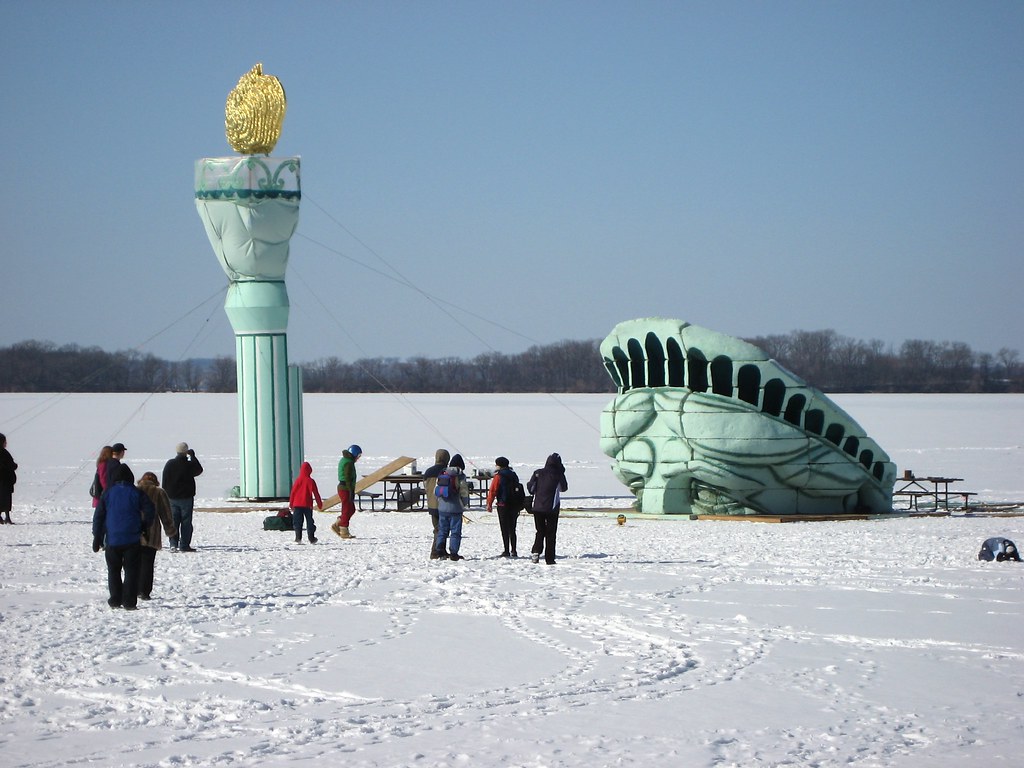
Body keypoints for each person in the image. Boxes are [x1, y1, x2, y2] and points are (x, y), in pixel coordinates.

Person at [92, 464, 154, 610]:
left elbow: (99, 516)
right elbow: (150, 510)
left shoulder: (108, 493)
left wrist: (97, 536)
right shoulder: (137, 492)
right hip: (132, 538)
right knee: (131, 570)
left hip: (112, 538)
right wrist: (144, 526)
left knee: (113, 570)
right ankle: (129, 602)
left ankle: (115, 598)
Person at [135, 472, 176, 600]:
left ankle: (134, 588)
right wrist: (170, 531)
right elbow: (166, 514)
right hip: (152, 531)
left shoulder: (134, 491)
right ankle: (145, 591)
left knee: (134, 563)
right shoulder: (159, 492)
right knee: (148, 563)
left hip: (134, 531)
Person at [527, 452, 568, 565]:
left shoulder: (538, 473)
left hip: (537, 507)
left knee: (539, 531)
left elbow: (531, 489)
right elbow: (563, 488)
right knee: (551, 533)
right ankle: (549, 558)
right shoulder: (558, 474)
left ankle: (536, 552)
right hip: (552, 507)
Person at [162, 442, 204, 552]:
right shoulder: (188, 465)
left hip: (172, 497)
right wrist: (193, 457)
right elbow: (199, 470)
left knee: (174, 521)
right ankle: (184, 545)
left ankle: (173, 544)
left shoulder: (170, 464)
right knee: (186, 522)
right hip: (186, 498)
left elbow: (165, 480)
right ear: (186, 452)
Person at [434, 453, 470, 561]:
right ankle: (453, 553)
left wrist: (440, 502)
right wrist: (465, 504)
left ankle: (439, 549)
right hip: (456, 509)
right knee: (455, 531)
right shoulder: (460, 476)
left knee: (442, 530)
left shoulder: (442, 473)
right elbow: (464, 492)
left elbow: (436, 491)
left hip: (442, 508)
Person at [486, 456, 521, 557]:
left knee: (504, 528)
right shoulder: (514, 475)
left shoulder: (498, 476)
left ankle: (506, 550)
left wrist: (489, 504)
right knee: (512, 529)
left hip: (503, 505)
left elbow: (493, 490)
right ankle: (514, 550)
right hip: (514, 505)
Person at [422, 448, 451, 559]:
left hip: (431, 504)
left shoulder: (428, 471)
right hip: (443, 504)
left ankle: (441, 550)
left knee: (438, 528)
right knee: (441, 529)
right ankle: (435, 551)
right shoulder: (446, 471)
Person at [331, 444, 362, 539]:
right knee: (346, 509)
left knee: (351, 509)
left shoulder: (347, 460)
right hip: (345, 488)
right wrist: (350, 491)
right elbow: (348, 478)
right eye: (358, 455)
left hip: (345, 488)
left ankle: (337, 524)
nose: (358, 458)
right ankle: (344, 530)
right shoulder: (348, 463)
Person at [289, 461, 323, 544]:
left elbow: (293, 492)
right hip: (308, 505)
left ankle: (298, 538)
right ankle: (311, 538)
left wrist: (291, 504)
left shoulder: (298, 480)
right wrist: (319, 504)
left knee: (298, 522)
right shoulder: (311, 481)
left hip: (297, 505)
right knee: (310, 522)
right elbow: (316, 493)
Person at [0, 433, 17, 525]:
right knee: (4, 499)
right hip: (4, 481)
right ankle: (6, 517)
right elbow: (10, 465)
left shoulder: (4, 452)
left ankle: (6, 517)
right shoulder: (3, 453)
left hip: (5, 481)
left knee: (3, 499)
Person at [91, 445, 114, 510]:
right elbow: (103, 479)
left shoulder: (102, 463)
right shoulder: (104, 464)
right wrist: (107, 490)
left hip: (101, 494)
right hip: (101, 494)